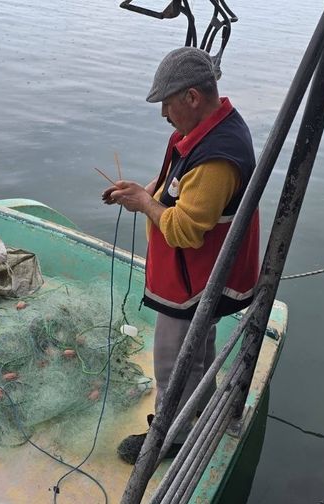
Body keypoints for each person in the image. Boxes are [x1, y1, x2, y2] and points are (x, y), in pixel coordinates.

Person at [103, 46, 260, 464]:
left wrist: (144, 204)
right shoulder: (207, 129)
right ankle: (202, 411)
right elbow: (175, 181)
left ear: (192, 97)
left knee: (173, 362)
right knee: (200, 351)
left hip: (195, 281)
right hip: (199, 278)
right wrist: (141, 191)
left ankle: (169, 438)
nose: (163, 115)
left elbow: (186, 230)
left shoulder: (217, 158)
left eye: (167, 104)